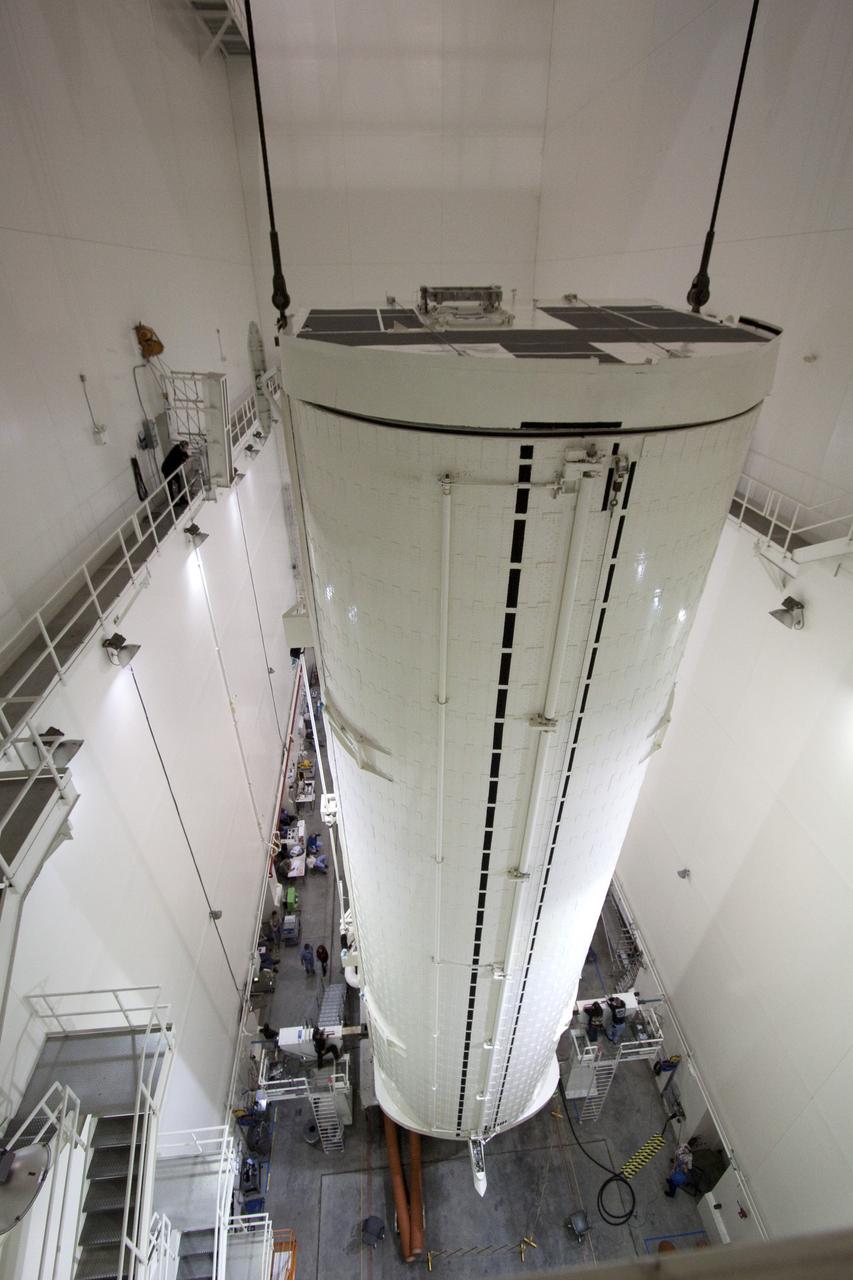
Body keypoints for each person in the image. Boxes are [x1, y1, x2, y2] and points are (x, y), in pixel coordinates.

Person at [161, 440, 191, 504]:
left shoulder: (181, 449)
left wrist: (187, 458)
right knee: (170, 485)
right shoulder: (176, 451)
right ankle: (173, 502)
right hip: (167, 469)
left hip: (172, 469)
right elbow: (180, 460)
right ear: (181, 447)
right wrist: (184, 460)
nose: (186, 450)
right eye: (185, 448)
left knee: (179, 481)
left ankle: (181, 499)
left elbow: (185, 455)